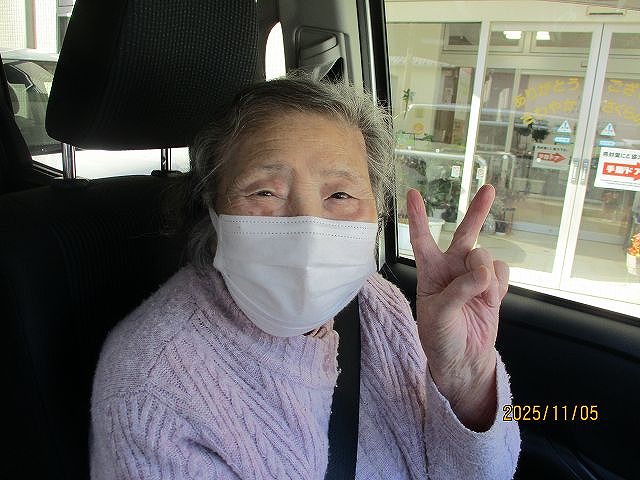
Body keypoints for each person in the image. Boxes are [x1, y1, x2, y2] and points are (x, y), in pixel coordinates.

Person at [90, 76, 520, 479]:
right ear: (213, 209)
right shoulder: (151, 384)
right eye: (265, 192)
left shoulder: (378, 302)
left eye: (340, 194)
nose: (309, 225)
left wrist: (466, 380)